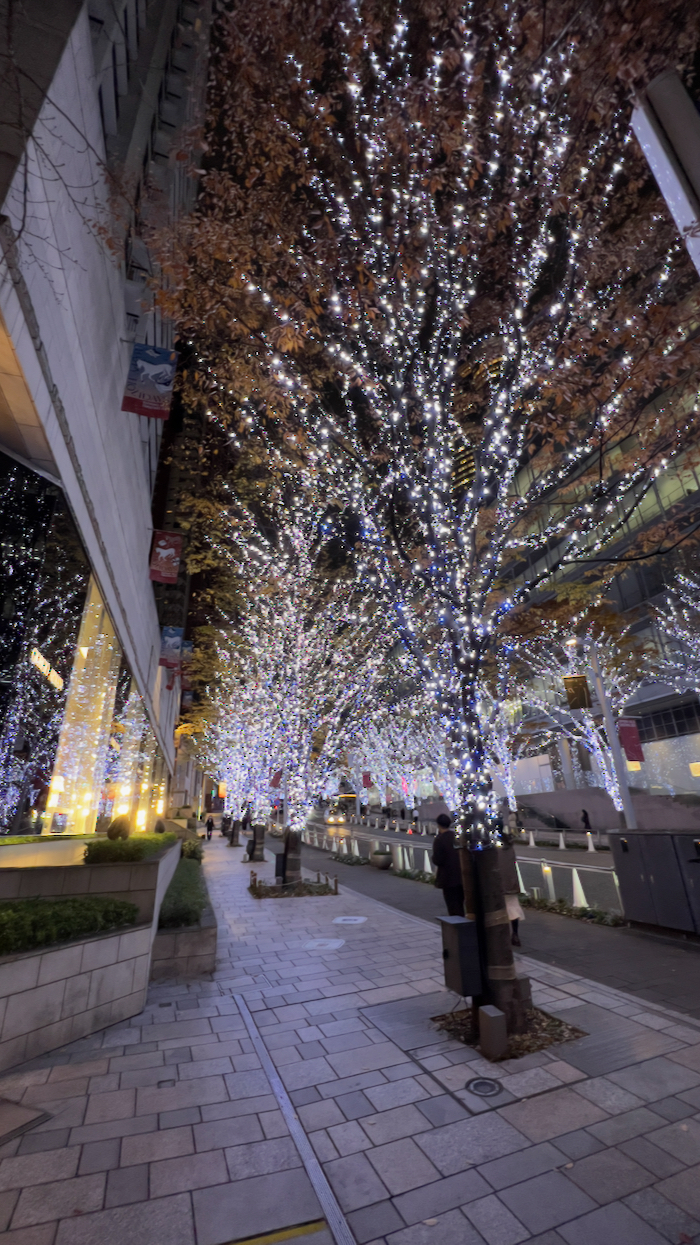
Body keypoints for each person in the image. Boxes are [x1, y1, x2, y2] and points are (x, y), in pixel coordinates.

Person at [432, 813, 464, 916]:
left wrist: (433, 858)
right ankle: (462, 921)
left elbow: (438, 860)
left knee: (452, 905)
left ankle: (456, 924)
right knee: (460, 903)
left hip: (447, 877)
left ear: (438, 825)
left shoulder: (439, 839)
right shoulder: (456, 836)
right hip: (461, 875)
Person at [497, 832, 525, 946]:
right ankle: (515, 934)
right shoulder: (509, 845)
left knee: (497, 909)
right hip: (510, 881)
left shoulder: (492, 846)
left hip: (497, 882)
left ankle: (500, 936)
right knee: (512, 907)